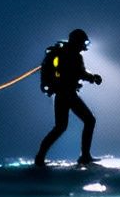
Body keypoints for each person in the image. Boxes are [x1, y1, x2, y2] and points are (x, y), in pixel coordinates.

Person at [34, 28, 103, 167]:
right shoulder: (73, 56)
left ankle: (40, 157)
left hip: (61, 94)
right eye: (83, 42)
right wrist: (94, 78)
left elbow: (77, 73)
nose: (84, 46)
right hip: (68, 94)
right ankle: (85, 156)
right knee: (89, 120)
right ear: (77, 41)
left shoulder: (62, 53)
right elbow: (80, 73)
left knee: (60, 127)